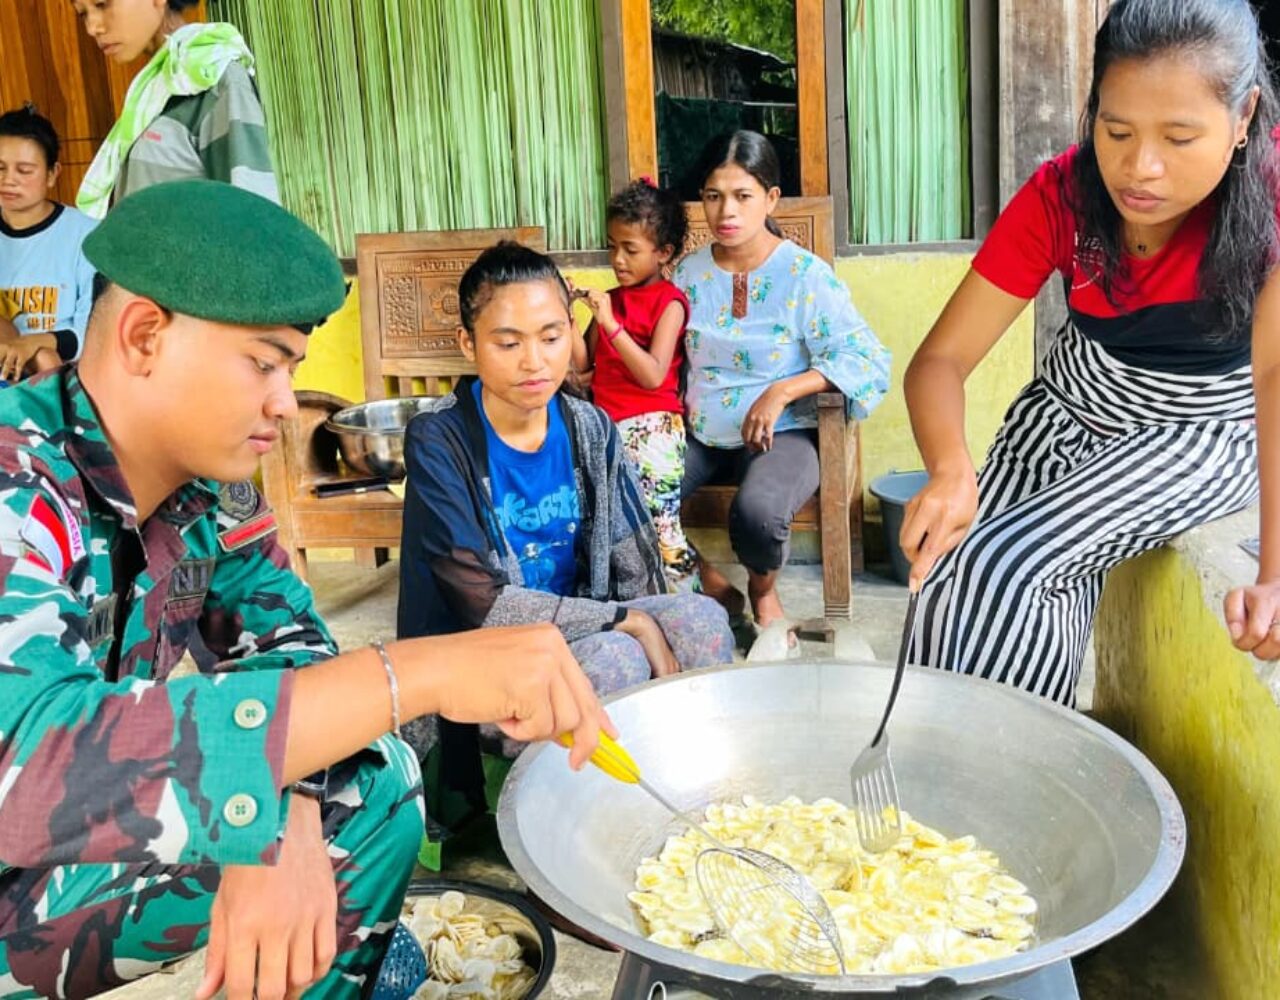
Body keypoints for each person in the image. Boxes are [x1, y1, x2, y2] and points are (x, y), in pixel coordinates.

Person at [0, 181, 610, 1000]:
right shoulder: (17, 482)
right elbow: (29, 763)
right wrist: (413, 673)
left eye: (289, 367)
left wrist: (275, 806)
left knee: (372, 782)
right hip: (23, 833)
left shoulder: (212, 491)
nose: (286, 405)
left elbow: (291, 645)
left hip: (69, 832)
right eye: (262, 363)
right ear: (146, 335)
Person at [901, 0, 1280, 706]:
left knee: (1016, 567)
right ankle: (929, 781)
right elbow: (940, 361)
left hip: (1199, 433)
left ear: (1245, 117)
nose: (1141, 168)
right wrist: (950, 469)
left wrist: (1275, 571)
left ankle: (1004, 790)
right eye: (1116, 130)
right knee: (948, 571)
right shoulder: (1064, 192)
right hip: (1069, 406)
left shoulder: (1273, 199)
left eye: (1179, 137)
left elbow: (1274, 377)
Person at [397, 241, 734, 833]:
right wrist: (627, 620)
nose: (534, 361)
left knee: (703, 619)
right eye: (508, 342)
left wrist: (650, 618)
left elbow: (634, 556)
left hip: (577, 630)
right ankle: (576, 831)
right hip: (481, 663)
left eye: (552, 337)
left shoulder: (587, 426)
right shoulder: (438, 442)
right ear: (467, 345)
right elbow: (482, 603)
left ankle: (688, 790)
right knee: (615, 655)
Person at [674, 130, 891, 640]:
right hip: (698, 429)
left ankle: (762, 591)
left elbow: (866, 357)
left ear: (770, 198)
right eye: (712, 196)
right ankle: (708, 584)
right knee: (627, 488)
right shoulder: (687, 275)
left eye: (742, 196)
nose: (725, 211)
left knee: (760, 513)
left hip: (784, 432)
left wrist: (782, 391)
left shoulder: (804, 276)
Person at [573, 178, 698, 589]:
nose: (618, 259)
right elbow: (584, 363)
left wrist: (610, 322)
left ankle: (690, 607)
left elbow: (652, 374)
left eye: (631, 249)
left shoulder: (670, 303)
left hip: (652, 431)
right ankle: (640, 608)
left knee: (662, 533)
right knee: (614, 533)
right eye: (612, 246)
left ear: (663, 253)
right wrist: (569, 318)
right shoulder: (613, 298)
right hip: (606, 429)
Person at [71, 0, 277, 218]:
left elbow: (256, 219)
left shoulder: (214, 77)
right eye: (83, 14)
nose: (92, 27)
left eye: (102, 4)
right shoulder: (148, 95)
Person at [0, 106, 96, 381]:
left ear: (53, 174)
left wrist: (34, 343)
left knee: (44, 357)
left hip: (69, 378)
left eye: (25, 170)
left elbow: (92, 332)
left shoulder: (86, 236)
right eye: (0, 168)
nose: (8, 181)